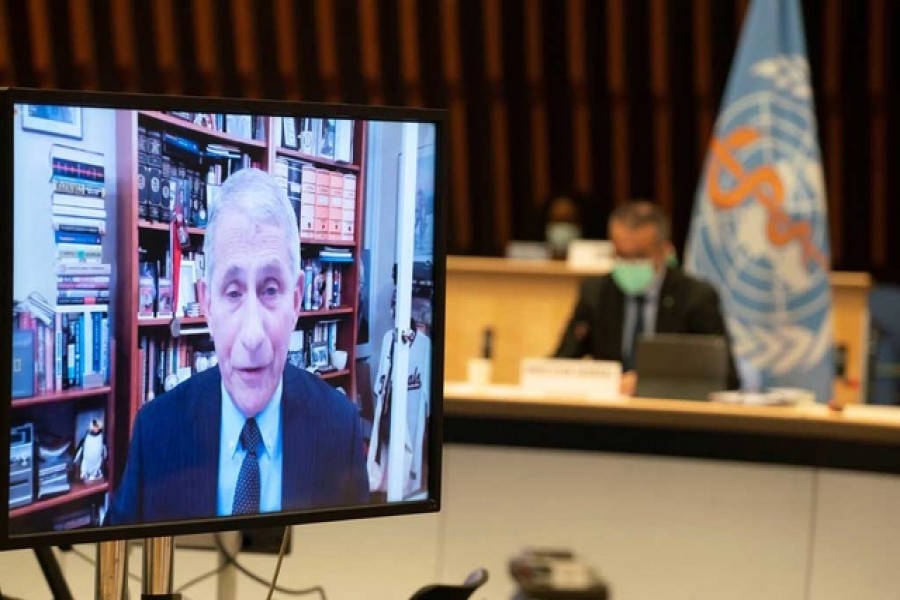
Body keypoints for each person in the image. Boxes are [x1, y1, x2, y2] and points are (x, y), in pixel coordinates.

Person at [108, 168, 369, 525]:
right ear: (207, 304)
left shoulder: (341, 429)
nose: (252, 334)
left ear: (296, 301)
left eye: (271, 289)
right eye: (232, 292)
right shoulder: (154, 433)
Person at [554, 200, 738, 395]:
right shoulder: (596, 293)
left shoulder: (696, 298)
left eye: (640, 256)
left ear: (665, 251)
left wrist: (650, 382)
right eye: (621, 256)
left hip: (671, 415)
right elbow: (560, 364)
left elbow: (725, 378)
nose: (630, 264)